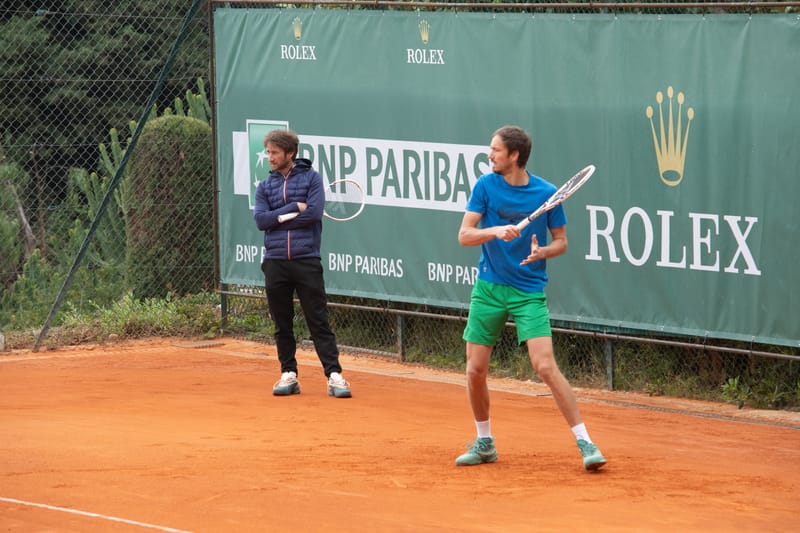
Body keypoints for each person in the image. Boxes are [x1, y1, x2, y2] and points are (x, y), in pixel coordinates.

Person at [455, 125, 606, 471]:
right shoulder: (485, 186)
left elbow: (561, 242)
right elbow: (464, 235)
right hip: (489, 288)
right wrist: (495, 230)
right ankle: (484, 442)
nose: (490, 155)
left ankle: (586, 442)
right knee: (475, 369)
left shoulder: (547, 193)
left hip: (528, 291)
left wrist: (543, 252)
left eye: (495, 150)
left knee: (545, 366)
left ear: (514, 155)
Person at [253, 129, 352, 398]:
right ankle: (288, 373)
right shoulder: (264, 186)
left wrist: (277, 220)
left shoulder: (312, 179)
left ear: (290, 153)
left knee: (318, 320)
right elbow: (261, 221)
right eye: (268, 152)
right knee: (281, 323)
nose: (270, 157)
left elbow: (313, 214)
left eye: (275, 153)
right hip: (275, 262)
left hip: (306, 259)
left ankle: (334, 375)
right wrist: (294, 207)